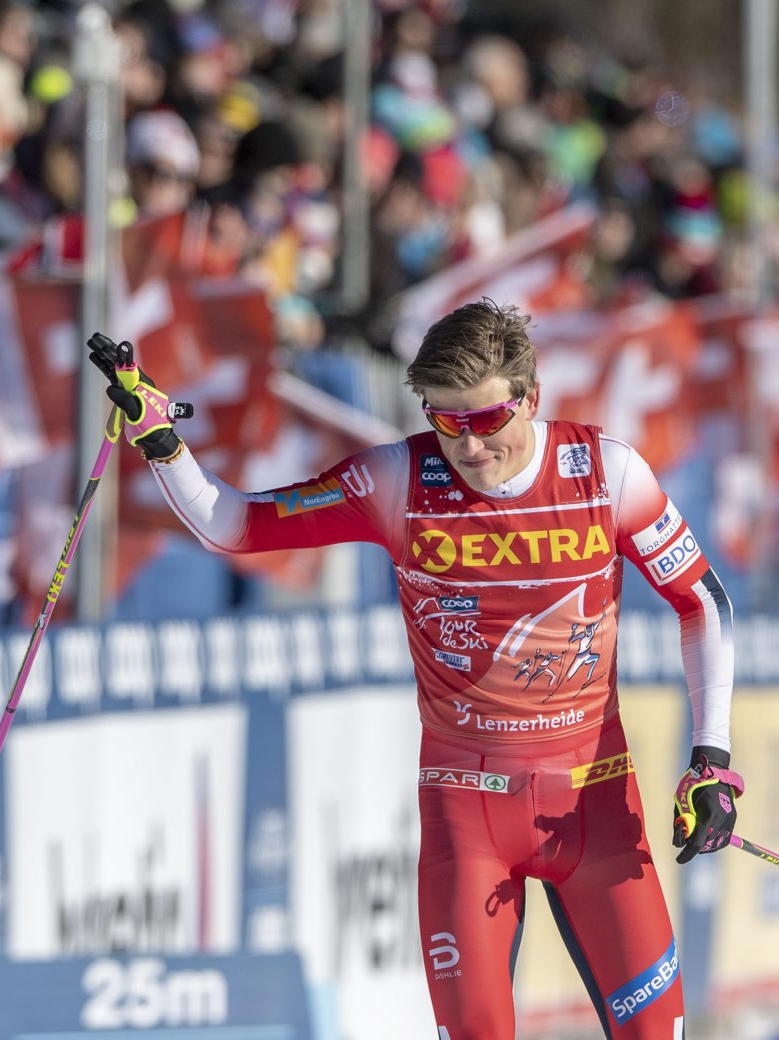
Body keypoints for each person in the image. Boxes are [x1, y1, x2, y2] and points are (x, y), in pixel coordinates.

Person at [86, 298, 742, 1039]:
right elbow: (231, 524)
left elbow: (702, 603)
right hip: (468, 817)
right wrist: (161, 440)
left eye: (487, 420)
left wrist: (710, 757)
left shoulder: (605, 471)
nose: (469, 446)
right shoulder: (397, 478)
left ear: (530, 397)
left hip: (594, 807)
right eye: (445, 420)